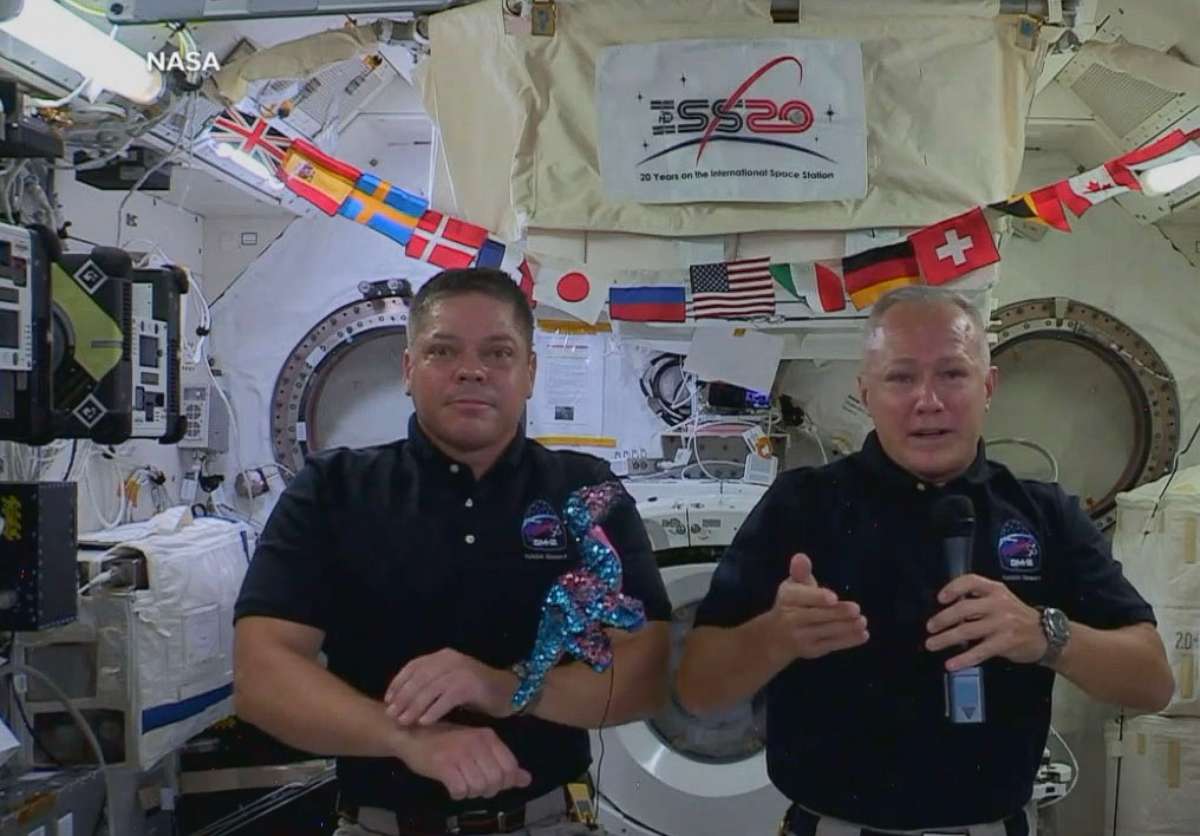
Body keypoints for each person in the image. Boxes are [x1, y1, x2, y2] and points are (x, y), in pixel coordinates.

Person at [676, 285, 1174, 836]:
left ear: (988, 386)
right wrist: (776, 636)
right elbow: (698, 690)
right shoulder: (801, 506)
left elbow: (1152, 682)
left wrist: (1045, 635)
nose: (928, 400)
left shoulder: (1045, 513)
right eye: (901, 377)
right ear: (865, 392)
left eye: (952, 374)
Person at [233, 267, 671, 836]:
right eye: (443, 351)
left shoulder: (585, 494)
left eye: (499, 352)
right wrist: (405, 739)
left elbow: (648, 672)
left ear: (530, 373)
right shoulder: (332, 489)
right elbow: (261, 674)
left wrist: (506, 687)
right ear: (409, 369)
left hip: (547, 822)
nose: (472, 370)